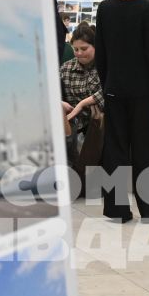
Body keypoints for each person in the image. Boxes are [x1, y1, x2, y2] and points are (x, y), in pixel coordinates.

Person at [93, 0, 149, 222]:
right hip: (142, 91)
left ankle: (116, 209)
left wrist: (107, 81)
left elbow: (100, 54)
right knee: (145, 149)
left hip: (114, 88)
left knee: (115, 149)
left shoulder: (105, 9)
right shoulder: (147, 11)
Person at [59, 22, 104, 192]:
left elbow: (110, 93)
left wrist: (82, 104)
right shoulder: (66, 68)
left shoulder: (106, 67)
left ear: (95, 46)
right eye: (75, 49)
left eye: (84, 49)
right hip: (72, 120)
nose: (79, 53)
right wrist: (61, 103)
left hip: (97, 120)